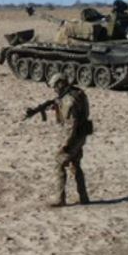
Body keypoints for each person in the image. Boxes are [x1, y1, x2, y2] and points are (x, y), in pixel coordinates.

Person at [46, 73, 93, 207]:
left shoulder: (68, 100)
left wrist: (65, 144)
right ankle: (83, 197)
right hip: (81, 134)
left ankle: (59, 198)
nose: (54, 89)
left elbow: (71, 125)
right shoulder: (78, 93)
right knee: (75, 164)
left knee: (59, 163)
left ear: (61, 83)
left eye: (55, 86)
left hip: (74, 137)